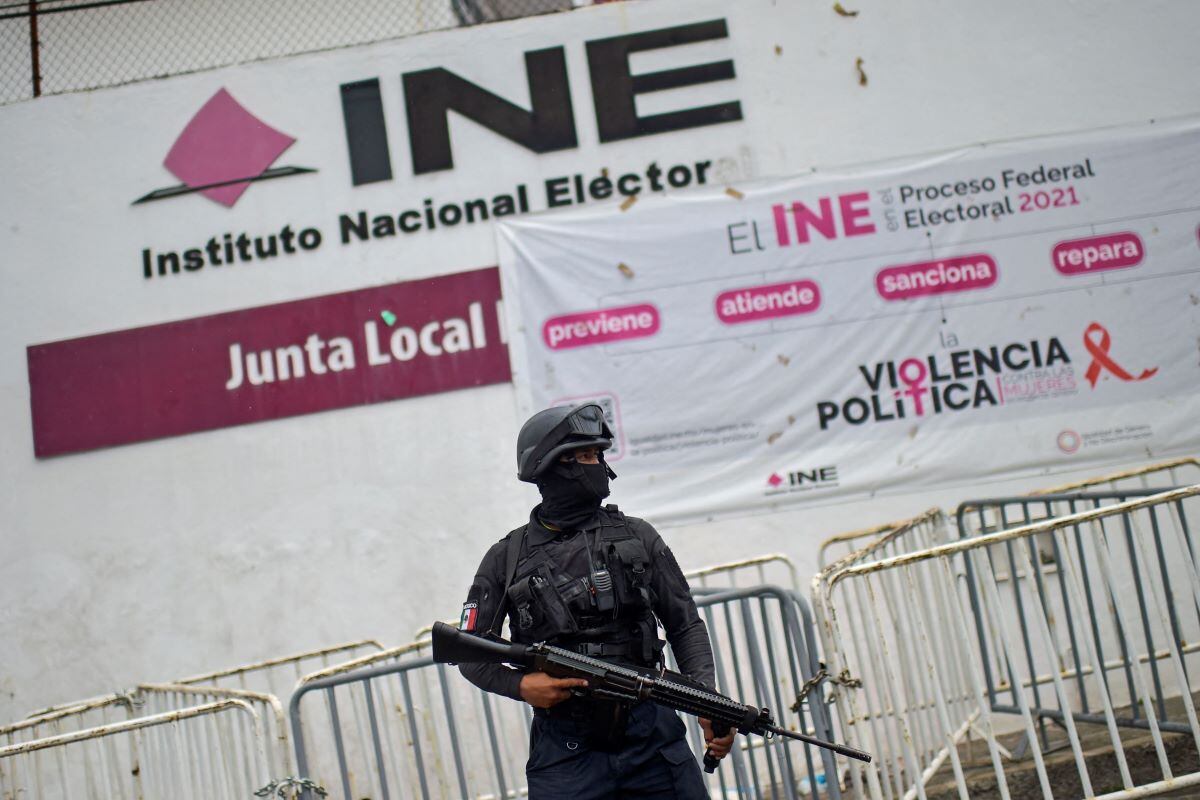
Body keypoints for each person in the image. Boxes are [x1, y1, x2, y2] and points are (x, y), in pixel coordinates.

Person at [457, 403, 735, 798]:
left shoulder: (637, 536)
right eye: (586, 456)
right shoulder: (506, 558)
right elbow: (469, 651)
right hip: (567, 749)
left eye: (598, 455)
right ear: (552, 466)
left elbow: (684, 623)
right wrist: (520, 685)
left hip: (652, 736)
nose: (598, 465)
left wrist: (706, 699)